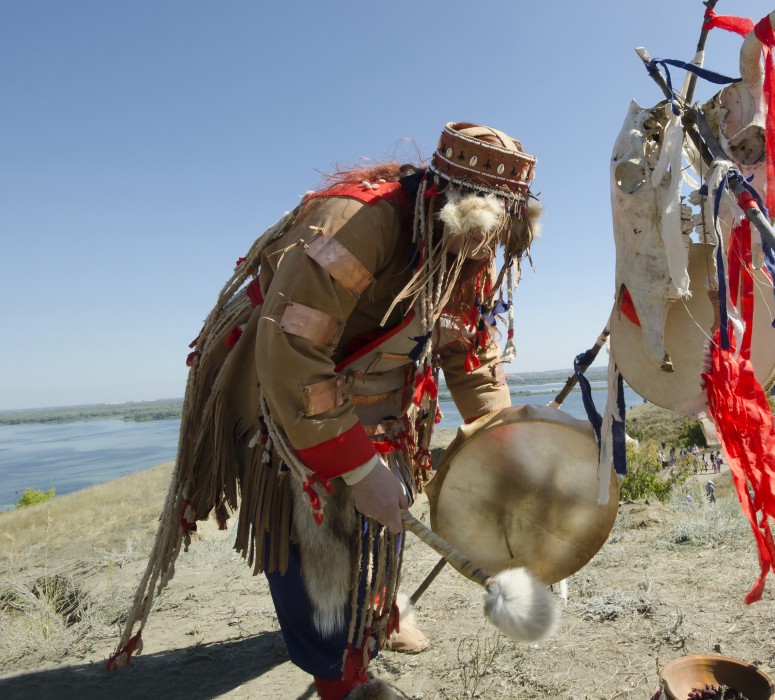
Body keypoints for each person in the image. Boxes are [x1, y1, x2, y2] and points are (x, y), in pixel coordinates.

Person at [110, 122, 543, 699]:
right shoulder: (355, 224)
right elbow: (294, 351)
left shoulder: (471, 251)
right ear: (452, 208)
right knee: (314, 529)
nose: (484, 258)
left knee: (391, 503)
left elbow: (471, 353)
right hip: (285, 387)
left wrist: (499, 445)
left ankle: (379, 604)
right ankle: (338, 673)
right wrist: (357, 469)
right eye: (483, 238)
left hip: (383, 397)